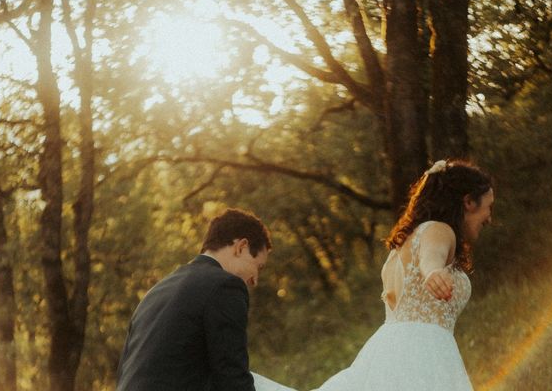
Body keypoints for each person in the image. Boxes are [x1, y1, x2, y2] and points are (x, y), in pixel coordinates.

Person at [253, 159, 494, 391]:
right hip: (421, 353)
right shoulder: (439, 230)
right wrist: (432, 272)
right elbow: (432, 256)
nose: (490, 218)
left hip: (389, 350)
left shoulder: (399, 250)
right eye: (488, 207)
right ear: (468, 202)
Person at [117, 208, 272, 391]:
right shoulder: (226, 286)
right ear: (241, 247)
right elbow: (232, 378)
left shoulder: (156, 292)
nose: (255, 280)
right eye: (258, 267)